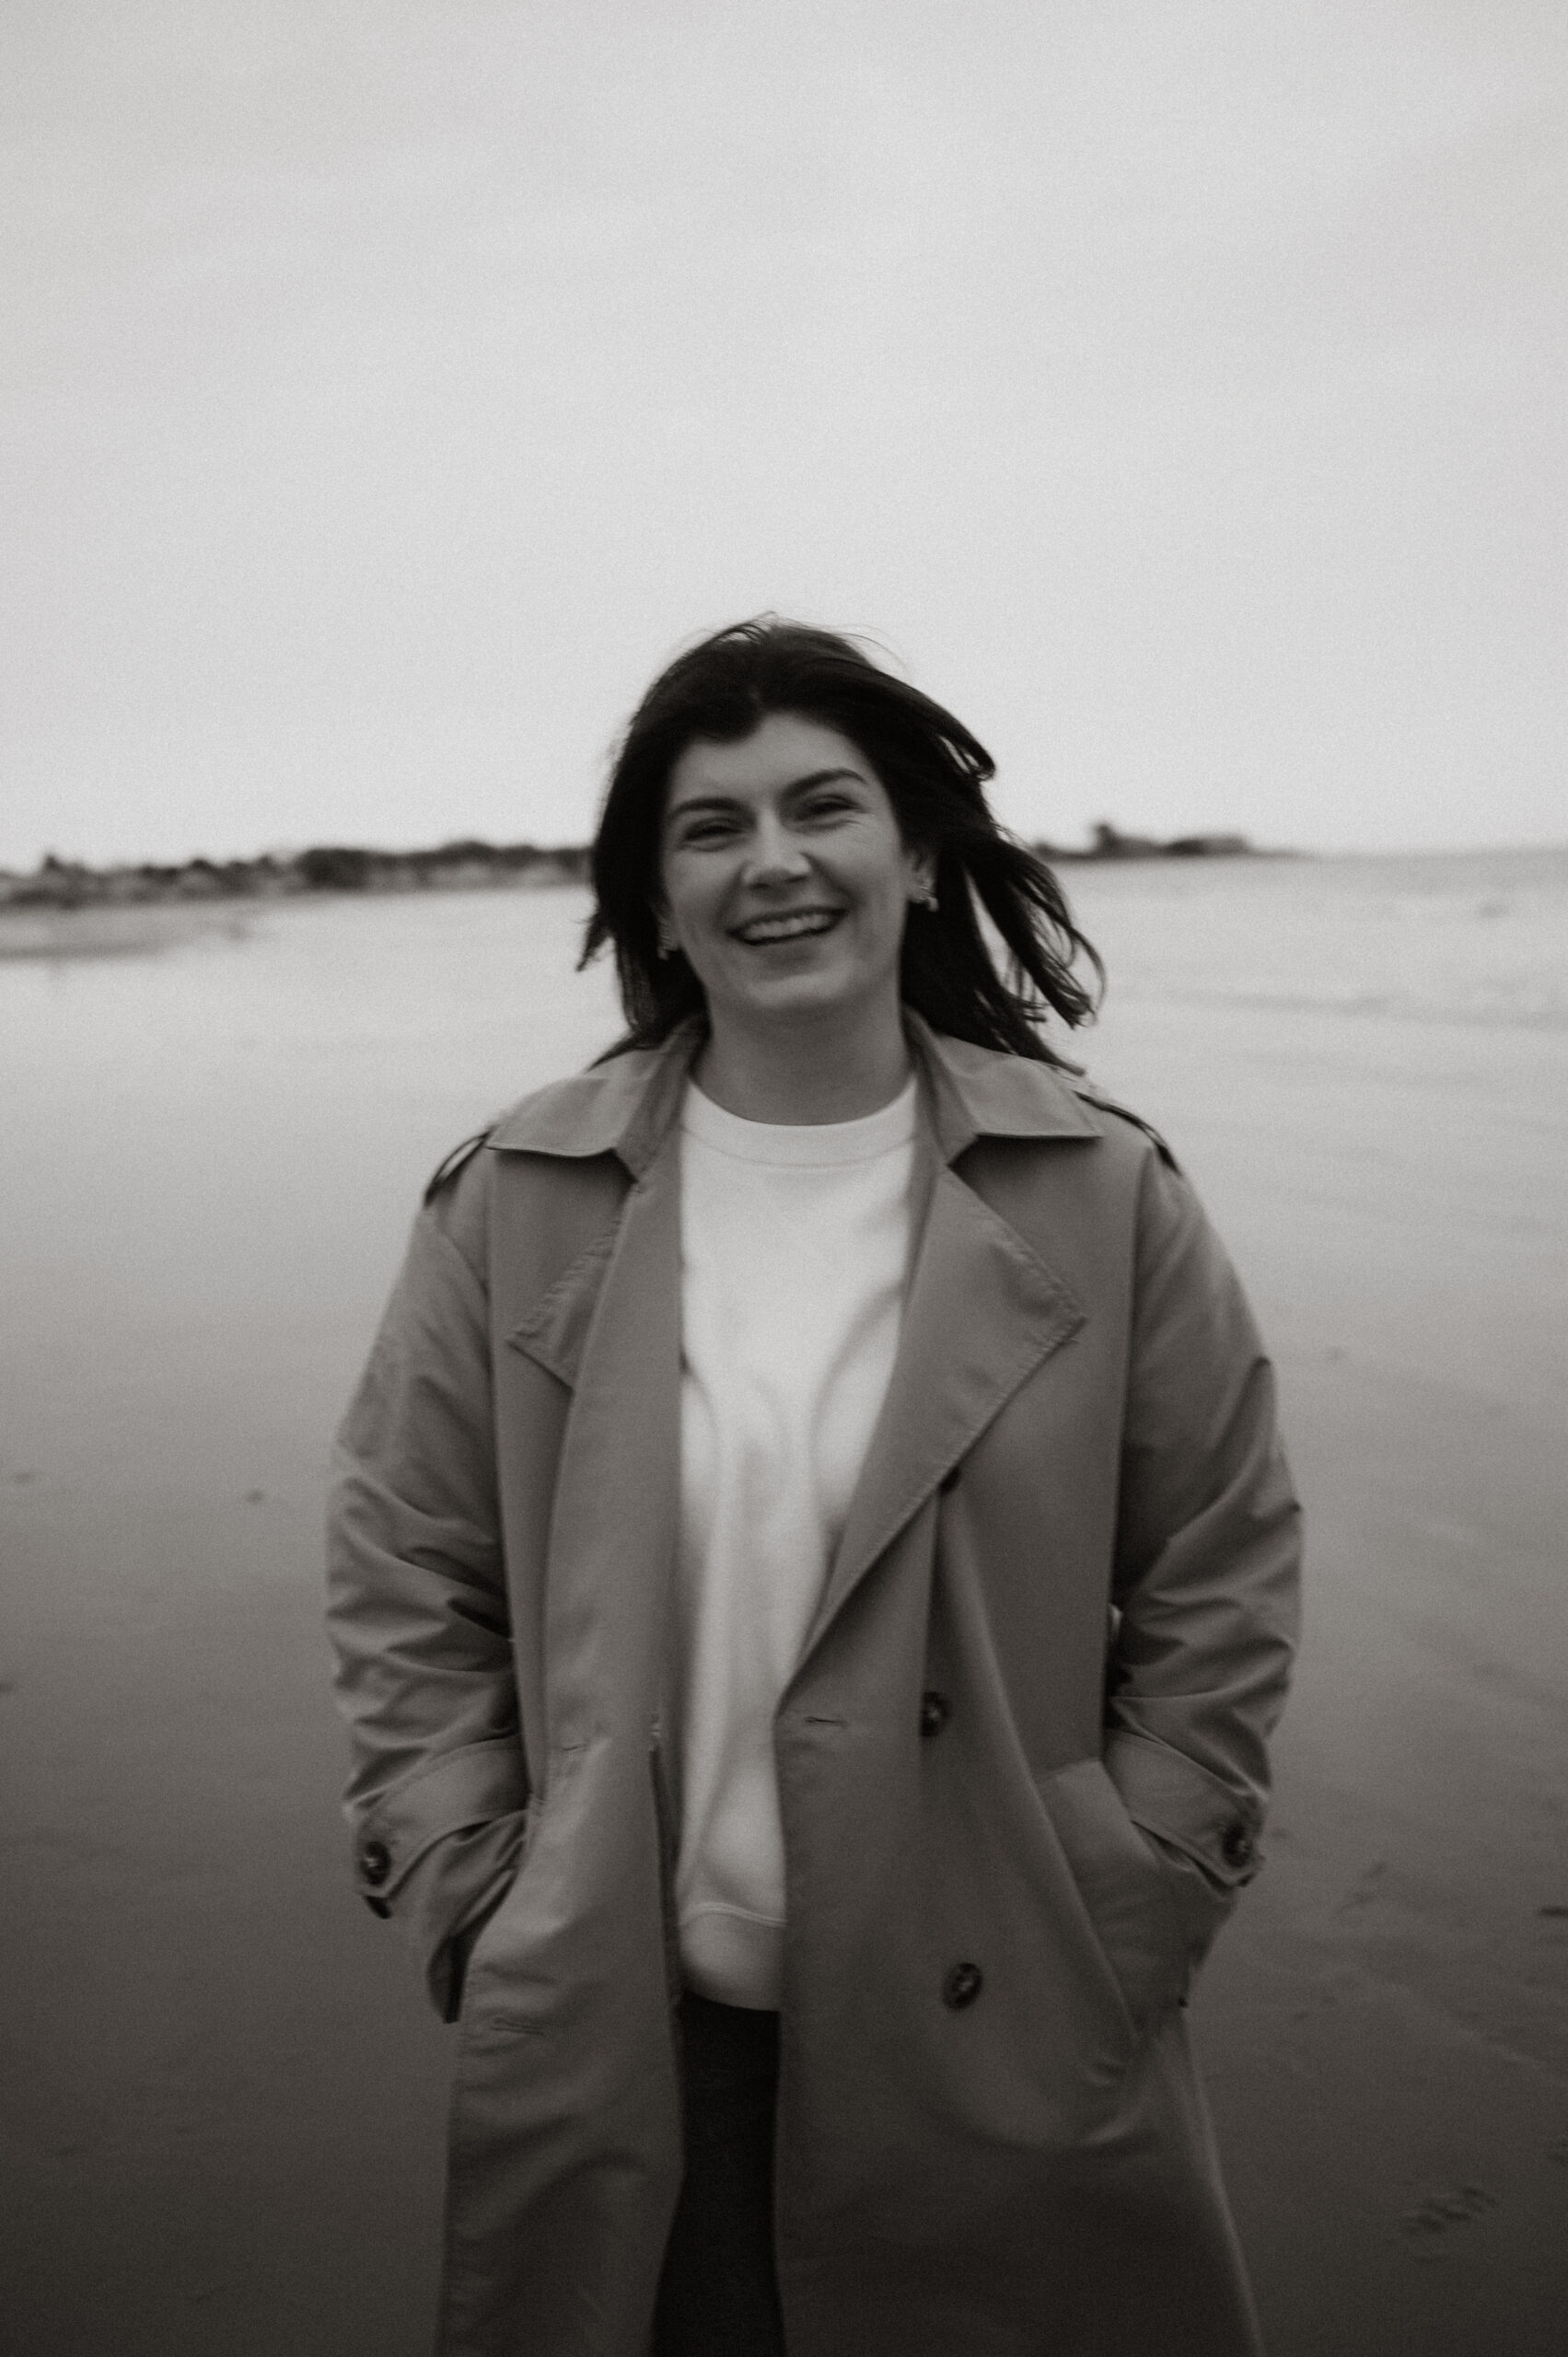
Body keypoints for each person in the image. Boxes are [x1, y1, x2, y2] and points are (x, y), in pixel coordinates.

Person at [325, 618, 1301, 2357]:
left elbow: (1219, 1565)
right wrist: (477, 1875)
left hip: (1015, 1980)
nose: (772, 863)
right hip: (637, 2008)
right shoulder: (519, 1199)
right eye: (710, 828)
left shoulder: (1102, 1190)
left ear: (916, 856)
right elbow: (407, 1561)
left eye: (822, 808)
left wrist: (1140, 1872)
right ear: (657, 896)